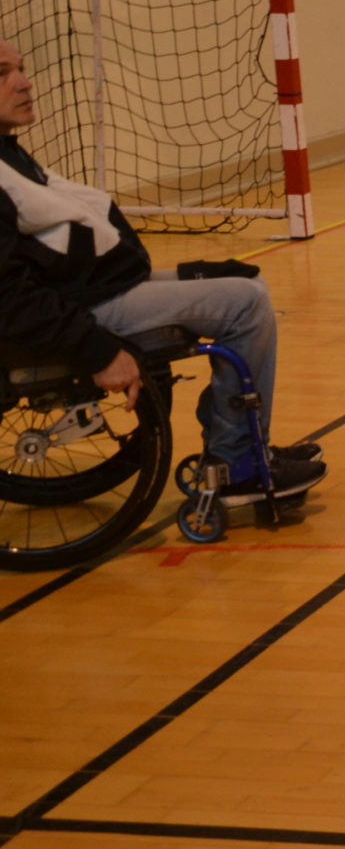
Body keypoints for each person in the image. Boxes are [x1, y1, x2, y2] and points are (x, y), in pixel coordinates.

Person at [0, 38, 325, 505]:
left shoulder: (9, 153)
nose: (25, 83)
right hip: (75, 313)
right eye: (3, 74)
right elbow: (9, 298)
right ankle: (235, 465)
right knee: (244, 305)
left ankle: (236, 440)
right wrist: (96, 351)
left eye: (22, 68)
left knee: (246, 282)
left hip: (86, 292)